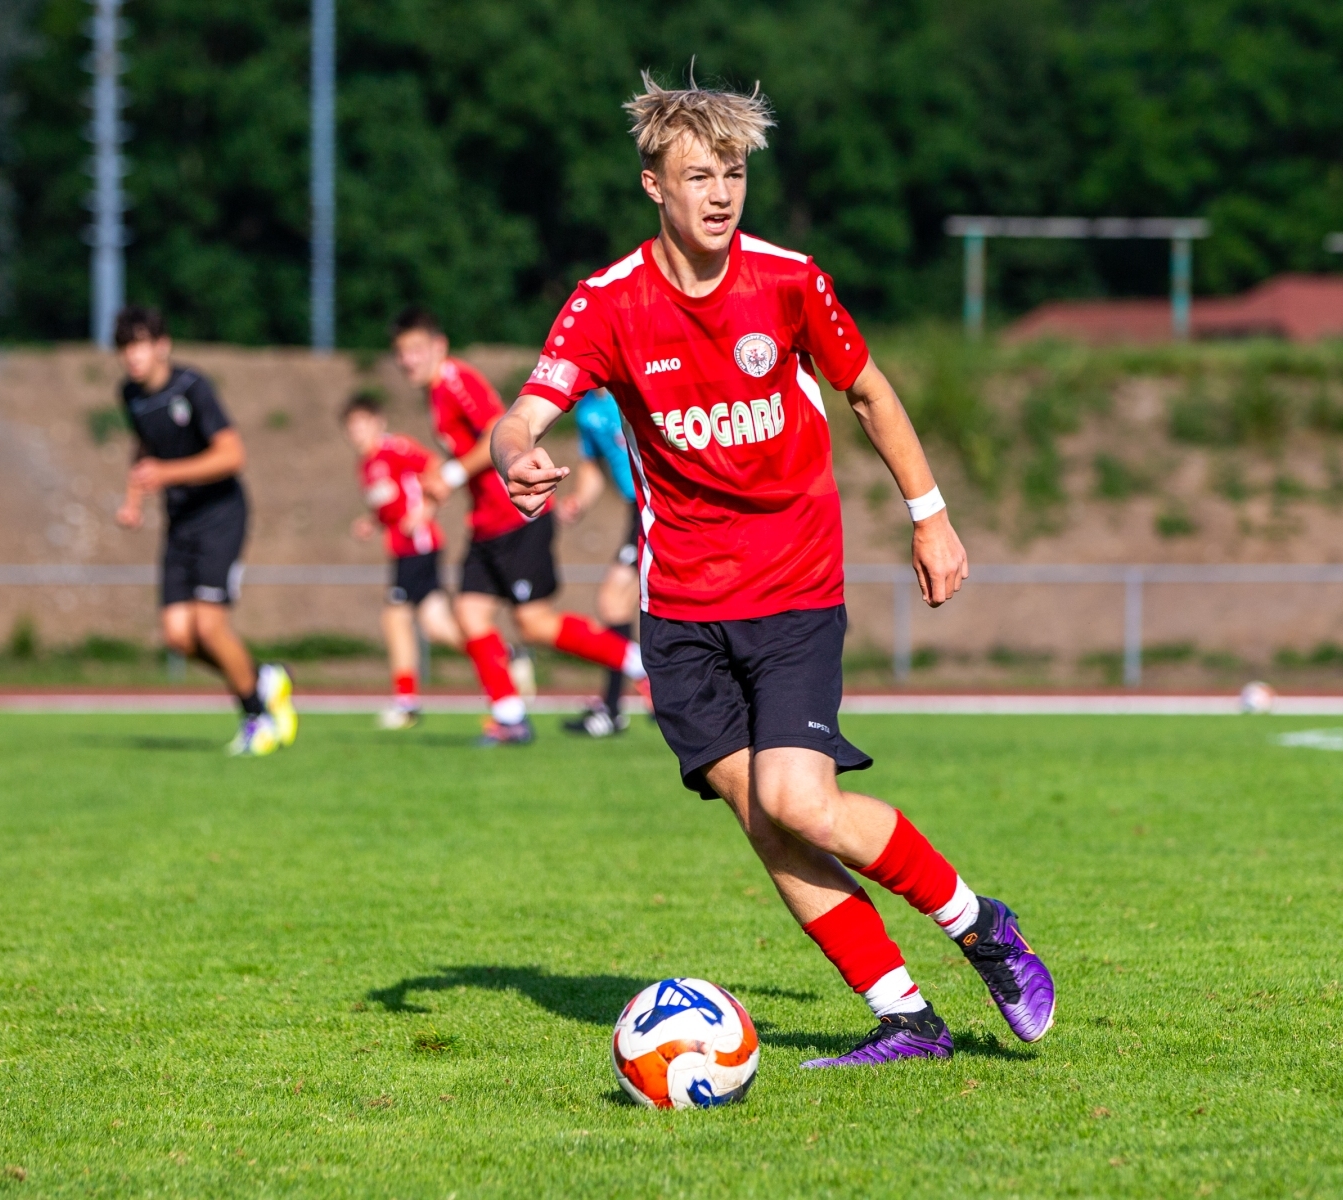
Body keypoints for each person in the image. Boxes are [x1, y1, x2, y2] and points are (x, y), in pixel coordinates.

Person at [491, 75, 1053, 1066]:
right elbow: (527, 408)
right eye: (698, 175)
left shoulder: (789, 281)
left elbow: (870, 394)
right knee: (764, 818)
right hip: (681, 612)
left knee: (799, 800)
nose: (721, 194)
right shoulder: (608, 304)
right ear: (652, 185)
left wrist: (930, 518)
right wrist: (515, 454)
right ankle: (907, 1021)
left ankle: (979, 926)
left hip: (793, 584)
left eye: (735, 174)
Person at [390, 308, 649, 746]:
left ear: (439, 346)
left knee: (534, 623)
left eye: (416, 350)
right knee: (470, 614)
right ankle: (510, 717)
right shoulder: (435, 394)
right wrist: (432, 500)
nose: (407, 361)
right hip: (486, 523)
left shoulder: (455, 380)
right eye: (401, 353)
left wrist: (451, 475)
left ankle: (639, 664)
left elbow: (496, 428)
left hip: (517, 516)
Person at [111, 305, 298, 756]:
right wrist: (133, 500)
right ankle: (262, 678)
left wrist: (168, 474)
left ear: (163, 346)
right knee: (178, 635)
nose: (133, 355)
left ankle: (257, 717)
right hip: (180, 522)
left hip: (220, 515)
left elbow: (233, 456)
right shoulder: (130, 394)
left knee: (210, 627)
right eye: (125, 347)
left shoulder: (192, 387)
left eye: (140, 344)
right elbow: (144, 447)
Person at [341, 393, 466, 729]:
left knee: (394, 618)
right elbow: (391, 504)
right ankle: (501, 655)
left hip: (419, 544)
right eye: (351, 427)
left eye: (362, 424)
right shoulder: (366, 465)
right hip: (402, 549)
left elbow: (436, 468)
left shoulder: (395, 448)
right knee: (436, 626)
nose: (357, 432)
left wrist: (425, 511)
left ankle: (406, 703)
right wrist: (372, 522)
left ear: (378, 422)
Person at [554, 387, 642, 737]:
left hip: (665, 505)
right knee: (616, 605)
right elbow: (592, 466)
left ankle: (629, 697)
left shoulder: (635, 387)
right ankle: (614, 708)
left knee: (616, 600)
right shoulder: (587, 410)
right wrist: (578, 501)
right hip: (638, 511)